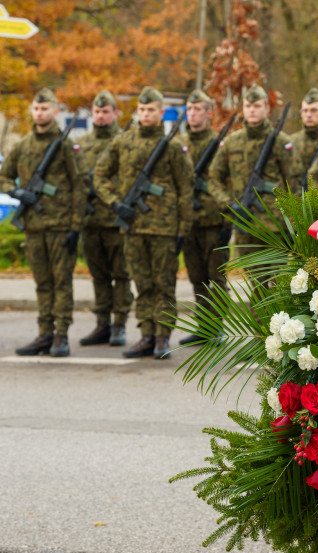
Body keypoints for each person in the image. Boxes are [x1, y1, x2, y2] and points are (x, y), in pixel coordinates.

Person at [95, 86, 194, 360]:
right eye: (142, 110)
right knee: (142, 284)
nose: (146, 114)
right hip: (133, 227)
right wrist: (115, 203)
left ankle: (163, 337)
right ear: (137, 112)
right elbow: (100, 175)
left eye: (151, 110)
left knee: (163, 285)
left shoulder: (172, 146)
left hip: (164, 228)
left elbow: (186, 188)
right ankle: (146, 335)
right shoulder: (122, 142)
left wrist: (183, 228)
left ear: (161, 112)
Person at [2, 88, 83, 357]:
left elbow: (79, 186)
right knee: (42, 283)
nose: (40, 113)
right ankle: (44, 334)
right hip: (34, 226)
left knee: (62, 283)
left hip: (60, 227)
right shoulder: (22, 145)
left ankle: (61, 335)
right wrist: (16, 192)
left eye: (45, 109)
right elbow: (3, 177)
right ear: (31, 111)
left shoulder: (65, 146)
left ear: (55, 112)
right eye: (36, 109)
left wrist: (76, 226)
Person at [76, 90, 132, 348]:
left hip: (115, 221)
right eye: (97, 112)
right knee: (98, 276)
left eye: (105, 112)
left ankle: (119, 325)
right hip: (90, 222)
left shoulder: (125, 142)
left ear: (115, 114)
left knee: (121, 275)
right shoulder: (83, 143)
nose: (100, 116)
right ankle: (102, 324)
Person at [176, 89, 231, 345]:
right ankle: (203, 327)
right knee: (196, 277)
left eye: (198, 109)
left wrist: (227, 221)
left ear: (208, 113)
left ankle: (217, 328)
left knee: (216, 278)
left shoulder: (219, 144)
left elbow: (226, 181)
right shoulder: (180, 143)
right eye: (189, 109)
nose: (193, 114)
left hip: (213, 221)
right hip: (189, 221)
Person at [207, 85, 294, 245]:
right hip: (243, 226)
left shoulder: (281, 141)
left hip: (274, 228)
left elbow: (294, 184)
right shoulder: (231, 142)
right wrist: (230, 205)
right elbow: (213, 179)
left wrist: (293, 225)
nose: (252, 110)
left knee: (275, 271)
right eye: (248, 106)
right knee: (247, 271)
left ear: (267, 108)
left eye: (257, 106)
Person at [291, 87, 318, 190]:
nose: (308, 115)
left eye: (313, 110)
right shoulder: (290, 142)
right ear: (301, 113)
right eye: (305, 110)